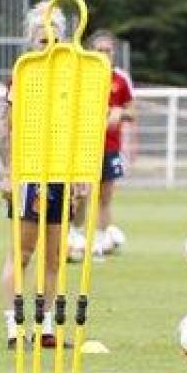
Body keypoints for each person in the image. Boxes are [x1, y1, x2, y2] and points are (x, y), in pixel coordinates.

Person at [0, 1, 70, 349]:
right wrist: (9, 172)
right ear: (32, 41)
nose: (49, 46)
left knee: (54, 256)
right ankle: (15, 325)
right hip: (30, 172)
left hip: (61, 173)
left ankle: (46, 326)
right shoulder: (23, 74)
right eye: (42, 40)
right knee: (23, 252)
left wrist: (80, 173)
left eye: (54, 39)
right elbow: (8, 129)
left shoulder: (71, 77)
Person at [69, 29, 136, 260]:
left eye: (108, 50)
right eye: (99, 50)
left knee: (104, 197)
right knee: (81, 194)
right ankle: (74, 236)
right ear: (91, 52)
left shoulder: (120, 79)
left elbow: (132, 112)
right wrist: (104, 111)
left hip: (110, 146)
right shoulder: (81, 77)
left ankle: (97, 244)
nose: (104, 54)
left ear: (114, 52)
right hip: (84, 146)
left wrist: (120, 113)